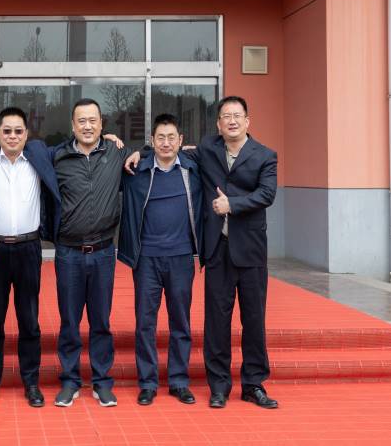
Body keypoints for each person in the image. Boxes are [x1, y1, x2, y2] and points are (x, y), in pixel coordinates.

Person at [126, 96, 278, 409]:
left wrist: (232, 204)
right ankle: (219, 386)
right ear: (218, 124)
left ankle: (253, 384)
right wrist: (140, 151)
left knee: (253, 320)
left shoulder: (265, 155)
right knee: (216, 323)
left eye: (237, 116)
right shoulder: (208, 149)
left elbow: (267, 194)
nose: (232, 121)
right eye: (226, 116)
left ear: (247, 121)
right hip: (217, 250)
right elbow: (169, 147)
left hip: (250, 252)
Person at [0, 107, 61, 409]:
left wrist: (109, 140)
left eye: (18, 131)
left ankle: (31, 382)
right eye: (7, 131)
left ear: (27, 134)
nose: (13, 136)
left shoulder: (39, 155)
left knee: (29, 320)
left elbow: (73, 147)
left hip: (29, 250)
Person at [49, 98, 132, 408]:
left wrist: (140, 150)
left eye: (92, 120)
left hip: (102, 252)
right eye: (81, 121)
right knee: (69, 322)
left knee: (101, 320)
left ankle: (101, 382)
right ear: (73, 125)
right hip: (68, 252)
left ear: (102, 124)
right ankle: (70, 381)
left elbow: (155, 153)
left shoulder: (116, 152)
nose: (87, 126)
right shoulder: (57, 157)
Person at [118, 113, 203, 407]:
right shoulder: (135, 171)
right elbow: (111, 156)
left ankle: (179, 381)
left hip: (181, 257)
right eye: (160, 138)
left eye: (171, 137)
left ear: (181, 141)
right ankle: (148, 382)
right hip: (146, 260)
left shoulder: (194, 170)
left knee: (181, 321)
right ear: (152, 141)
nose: (166, 143)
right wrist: (137, 152)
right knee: (145, 323)